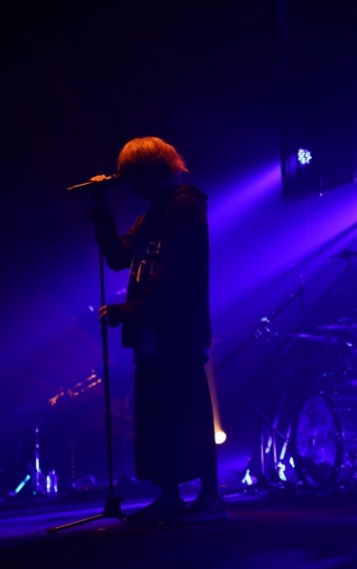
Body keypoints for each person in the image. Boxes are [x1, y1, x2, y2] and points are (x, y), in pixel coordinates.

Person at [87, 136, 227, 525]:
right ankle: (169, 497)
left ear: (150, 171)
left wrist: (131, 309)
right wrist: (102, 210)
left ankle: (210, 498)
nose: (131, 186)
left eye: (134, 177)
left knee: (189, 414)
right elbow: (119, 257)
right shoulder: (152, 214)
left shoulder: (185, 205)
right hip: (153, 333)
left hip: (179, 330)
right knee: (160, 417)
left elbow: (173, 271)